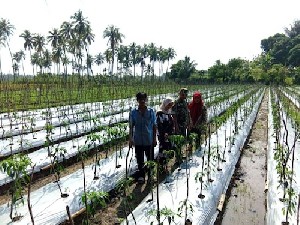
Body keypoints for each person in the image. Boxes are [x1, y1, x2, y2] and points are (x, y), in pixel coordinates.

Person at [129, 92, 157, 184]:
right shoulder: (133, 112)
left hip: (148, 139)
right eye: (140, 99)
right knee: (140, 159)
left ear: (146, 100)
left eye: (144, 99)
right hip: (138, 140)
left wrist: (154, 139)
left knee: (150, 158)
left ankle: (150, 174)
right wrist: (130, 139)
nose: (142, 101)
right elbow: (131, 126)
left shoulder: (151, 111)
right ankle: (141, 175)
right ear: (137, 100)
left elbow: (154, 125)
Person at [156, 97, 175, 165]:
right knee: (163, 148)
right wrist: (165, 133)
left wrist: (170, 132)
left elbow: (171, 123)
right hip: (162, 135)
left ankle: (166, 163)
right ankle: (161, 164)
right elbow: (159, 125)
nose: (169, 106)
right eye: (168, 105)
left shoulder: (168, 112)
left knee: (168, 148)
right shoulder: (160, 113)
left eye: (171, 105)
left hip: (169, 134)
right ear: (165, 104)